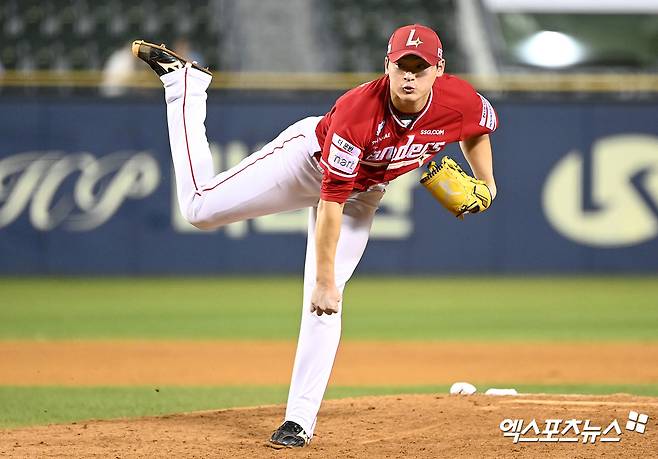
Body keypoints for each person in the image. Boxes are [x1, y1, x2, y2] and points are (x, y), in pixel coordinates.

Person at [132, 23, 498, 449]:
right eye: (402, 65)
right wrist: (323, 279)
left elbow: (476, 128)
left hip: (365, 194)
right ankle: (186, 86)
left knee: (326, 307)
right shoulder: (359, 111)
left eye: (419, 66)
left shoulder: (460, 100)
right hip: (306, 164)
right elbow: (331, 202)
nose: (410, 75)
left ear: (439, 69)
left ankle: (299, 421)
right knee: (198, 208)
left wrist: (488, 184)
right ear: (387, 66)